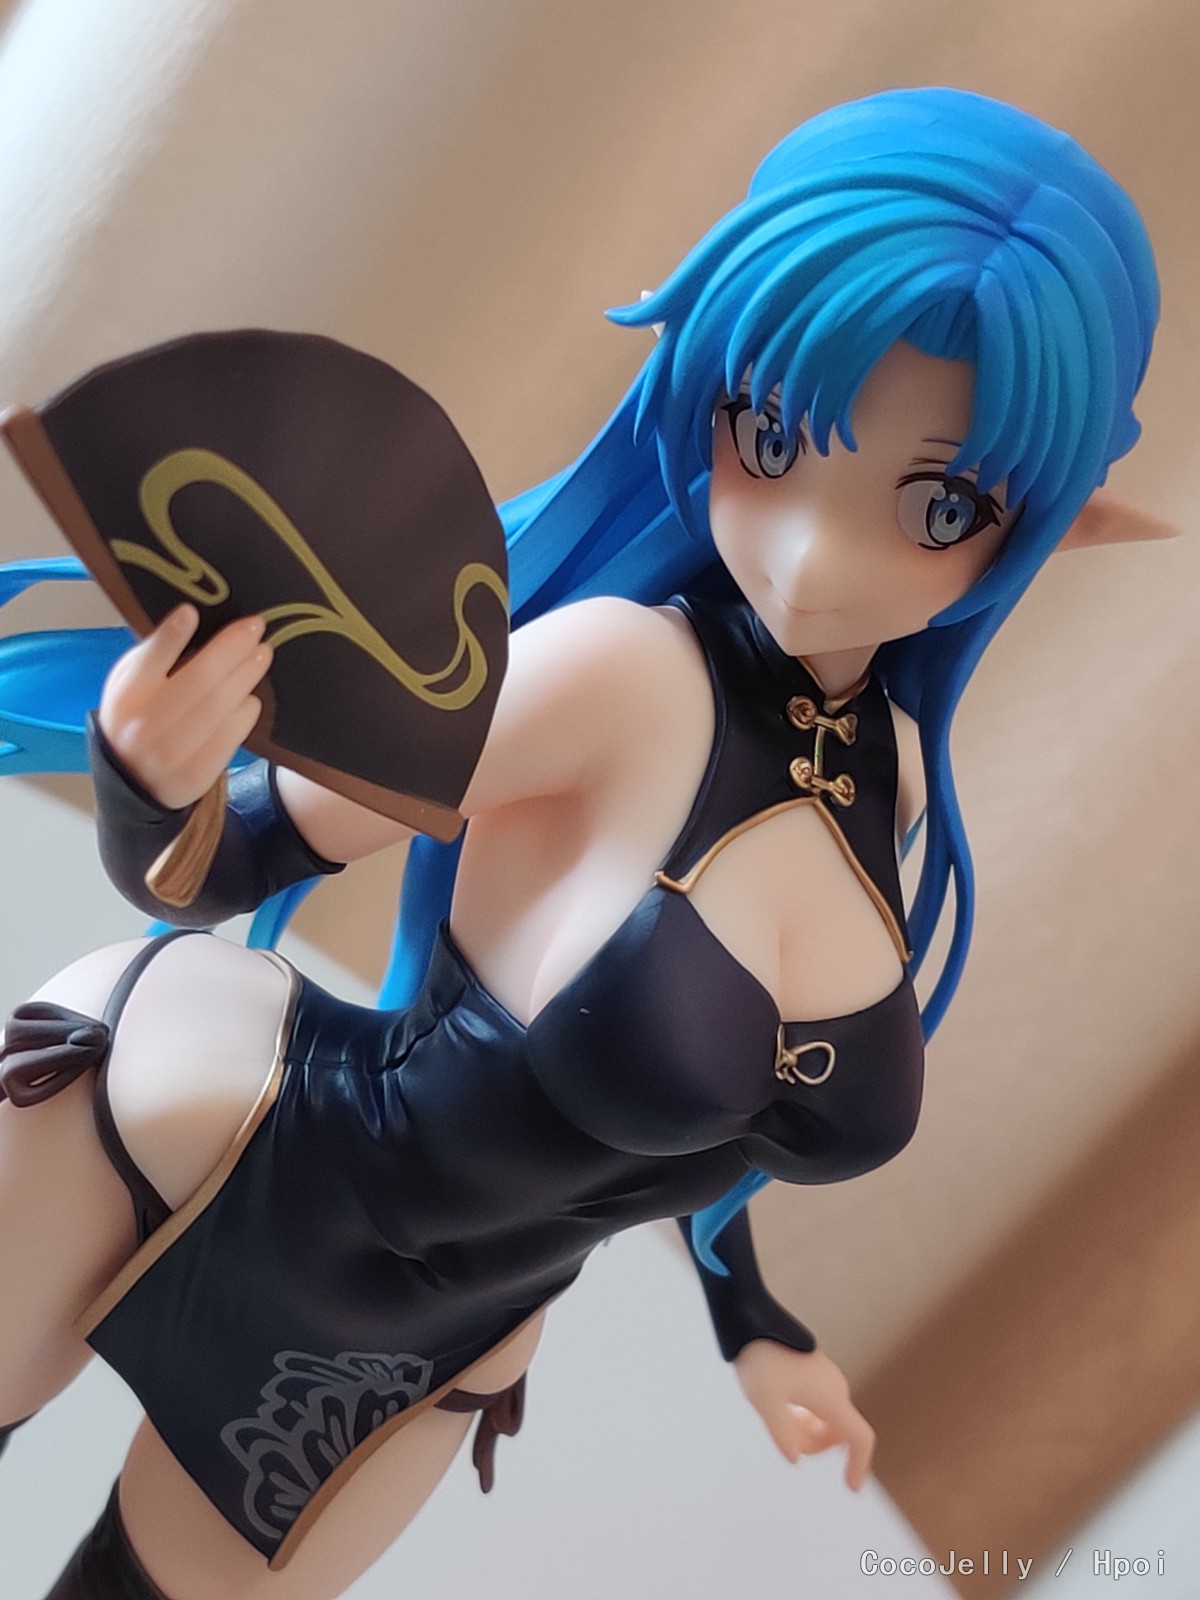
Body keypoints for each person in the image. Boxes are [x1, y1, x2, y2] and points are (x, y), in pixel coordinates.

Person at [0, 86, 1161, 1600]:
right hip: (198, 1136)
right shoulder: (624, 676)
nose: (815, 552)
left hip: (427, 1351)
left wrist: (754, 1329)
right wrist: (147, 775)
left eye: (938, 505)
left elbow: (710, 1130)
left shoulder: (897, 799)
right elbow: (229, 865)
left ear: (1045, 520)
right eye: (771, 435)